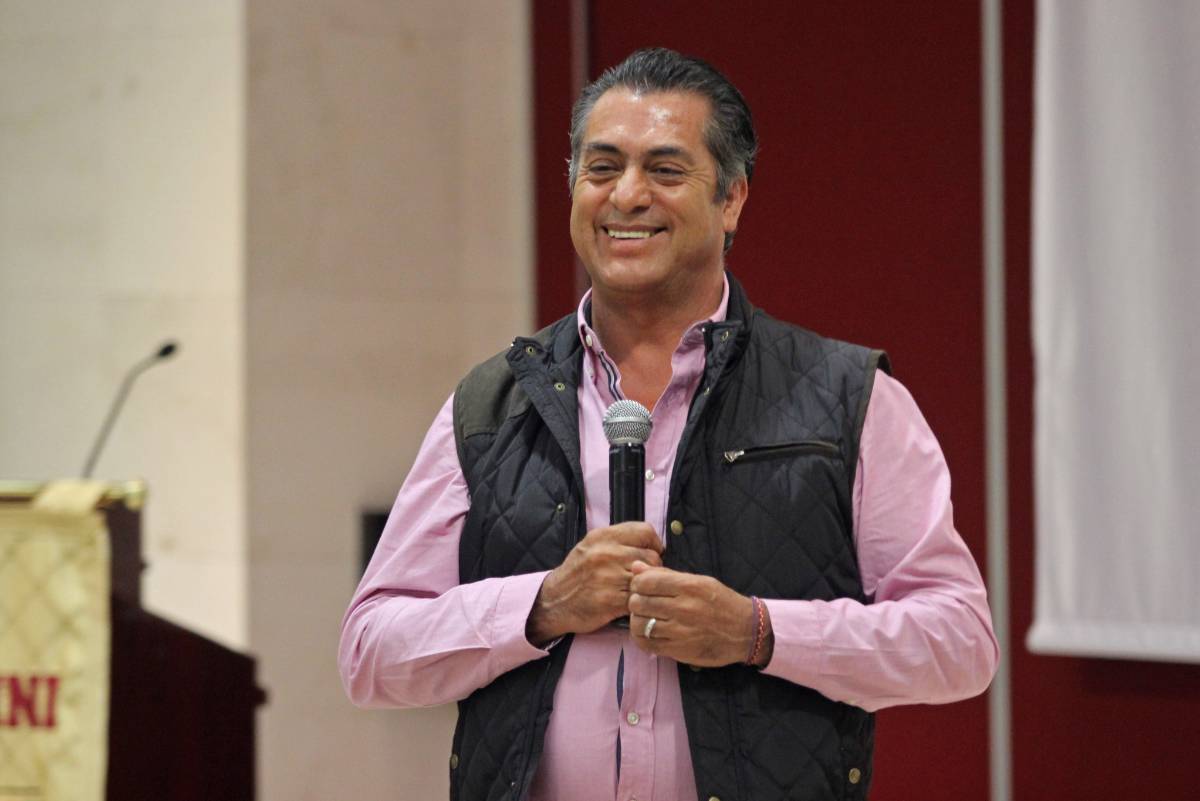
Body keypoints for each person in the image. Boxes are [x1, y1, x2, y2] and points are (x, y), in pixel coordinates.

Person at [339, 47, 998, 801]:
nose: (627, 195)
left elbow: (958, 641)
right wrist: (543, 606)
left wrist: (757, 632)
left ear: (732, 198)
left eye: (665, 169)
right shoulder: (492, 403)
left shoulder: (848, 396)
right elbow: (370, 652)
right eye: (601, 167)